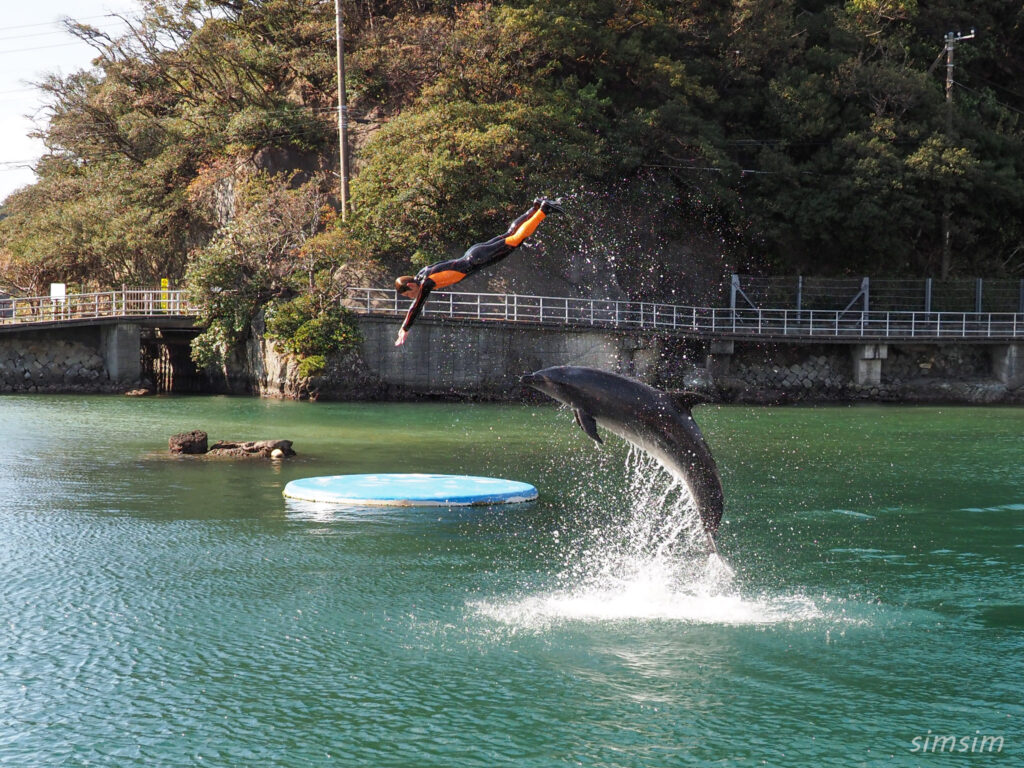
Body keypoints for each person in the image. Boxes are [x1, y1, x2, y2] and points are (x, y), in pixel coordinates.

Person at [393, 197, 564, 346]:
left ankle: (544, 210)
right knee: (510, 234)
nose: (411, 297)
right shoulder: (423, 272)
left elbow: (416, 306)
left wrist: (405, 328)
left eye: (409, 294)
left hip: (477, 260)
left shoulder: (425, 282)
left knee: (515, 240)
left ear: (410, 284)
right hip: (474, 253)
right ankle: (535, 206)